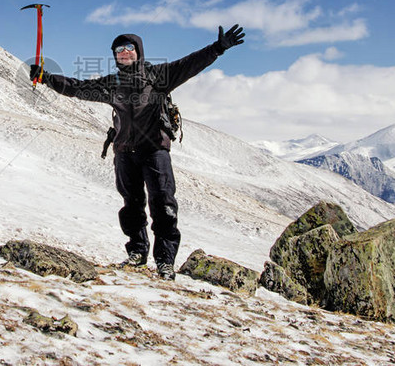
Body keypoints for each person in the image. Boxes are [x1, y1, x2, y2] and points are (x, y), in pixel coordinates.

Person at [30, 25, 245, 280]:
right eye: (119, 50)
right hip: (124, 152)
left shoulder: (159, 76)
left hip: (155, 151)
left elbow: (191, 63)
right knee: (131, 207)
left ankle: (165, 262)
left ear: (138, 51)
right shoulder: (111, 83)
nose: (124, 53)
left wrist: (218, 48)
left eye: (129, 48)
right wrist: (46, 78)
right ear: (115, 56)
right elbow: (77, 87)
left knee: (163, 206)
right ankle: (137, 254)